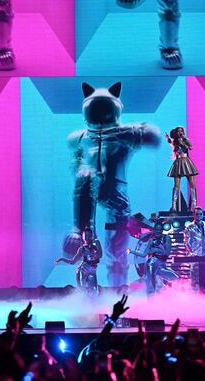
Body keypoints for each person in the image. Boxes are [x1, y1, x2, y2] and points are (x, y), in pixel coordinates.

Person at [65, 82, 161, 287]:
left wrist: (131, 131)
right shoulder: (81, 138)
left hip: (116, 197)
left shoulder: (125, 135)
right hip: (89, 197)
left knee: (116, 253)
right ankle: (80, 232)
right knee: (88, 250)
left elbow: (153, 135)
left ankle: (117, 292)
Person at [129, 221, 178, 295]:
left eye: (160, 229)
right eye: (157, 229)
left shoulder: (166, 238)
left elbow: (167, 253)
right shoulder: (151, 241)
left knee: (176, 277)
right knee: (151, 285)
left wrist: (156, 249)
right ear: (154, 230)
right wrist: (131, 251)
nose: (158, 231)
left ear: (162, 230)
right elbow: (143, 255)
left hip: (161, 265)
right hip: (152, 264)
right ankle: (151, 303)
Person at [55, 227, 102, 295]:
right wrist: (61, 259)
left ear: (91, 236)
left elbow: (100, 255)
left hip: (92, 270)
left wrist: (93, 254)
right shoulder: (82, 249)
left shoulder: (96, 243)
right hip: (83, 270)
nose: (87, 237)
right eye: (85, 236)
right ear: (83, 237)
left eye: (89, 235)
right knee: (83, 291)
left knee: (94, 291)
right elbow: (72, 261)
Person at [165, 126, 198, 212]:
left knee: (192, 183)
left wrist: (185, 139)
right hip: (179, 161)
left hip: (186, 161)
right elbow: (170, 141)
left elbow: (190, 147)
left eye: (182, 131)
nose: (180, 132)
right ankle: (174, 205)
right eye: (179, 131)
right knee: (177, 184)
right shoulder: (174, 141)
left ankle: (194, 205)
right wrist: (168, 138)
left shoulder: (185, 140)